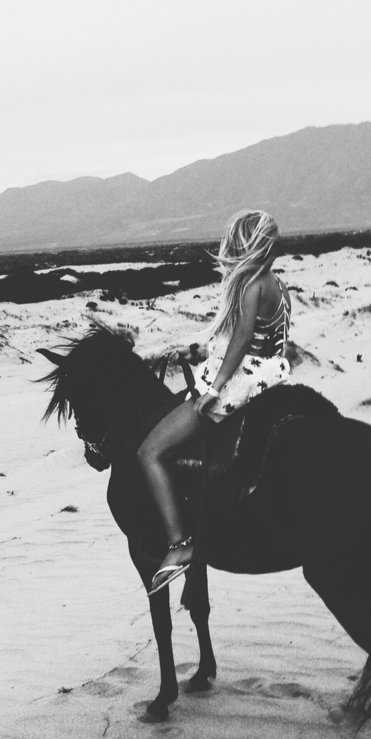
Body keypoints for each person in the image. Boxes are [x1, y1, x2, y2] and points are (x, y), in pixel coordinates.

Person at [137, 210, 292, 595]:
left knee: (150, 452)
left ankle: (179, 543)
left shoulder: (250, 283)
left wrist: (215, 388)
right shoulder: (277, 283)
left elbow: (240, 340)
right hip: (267, 375)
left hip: (238, 380)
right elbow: (261, 340)